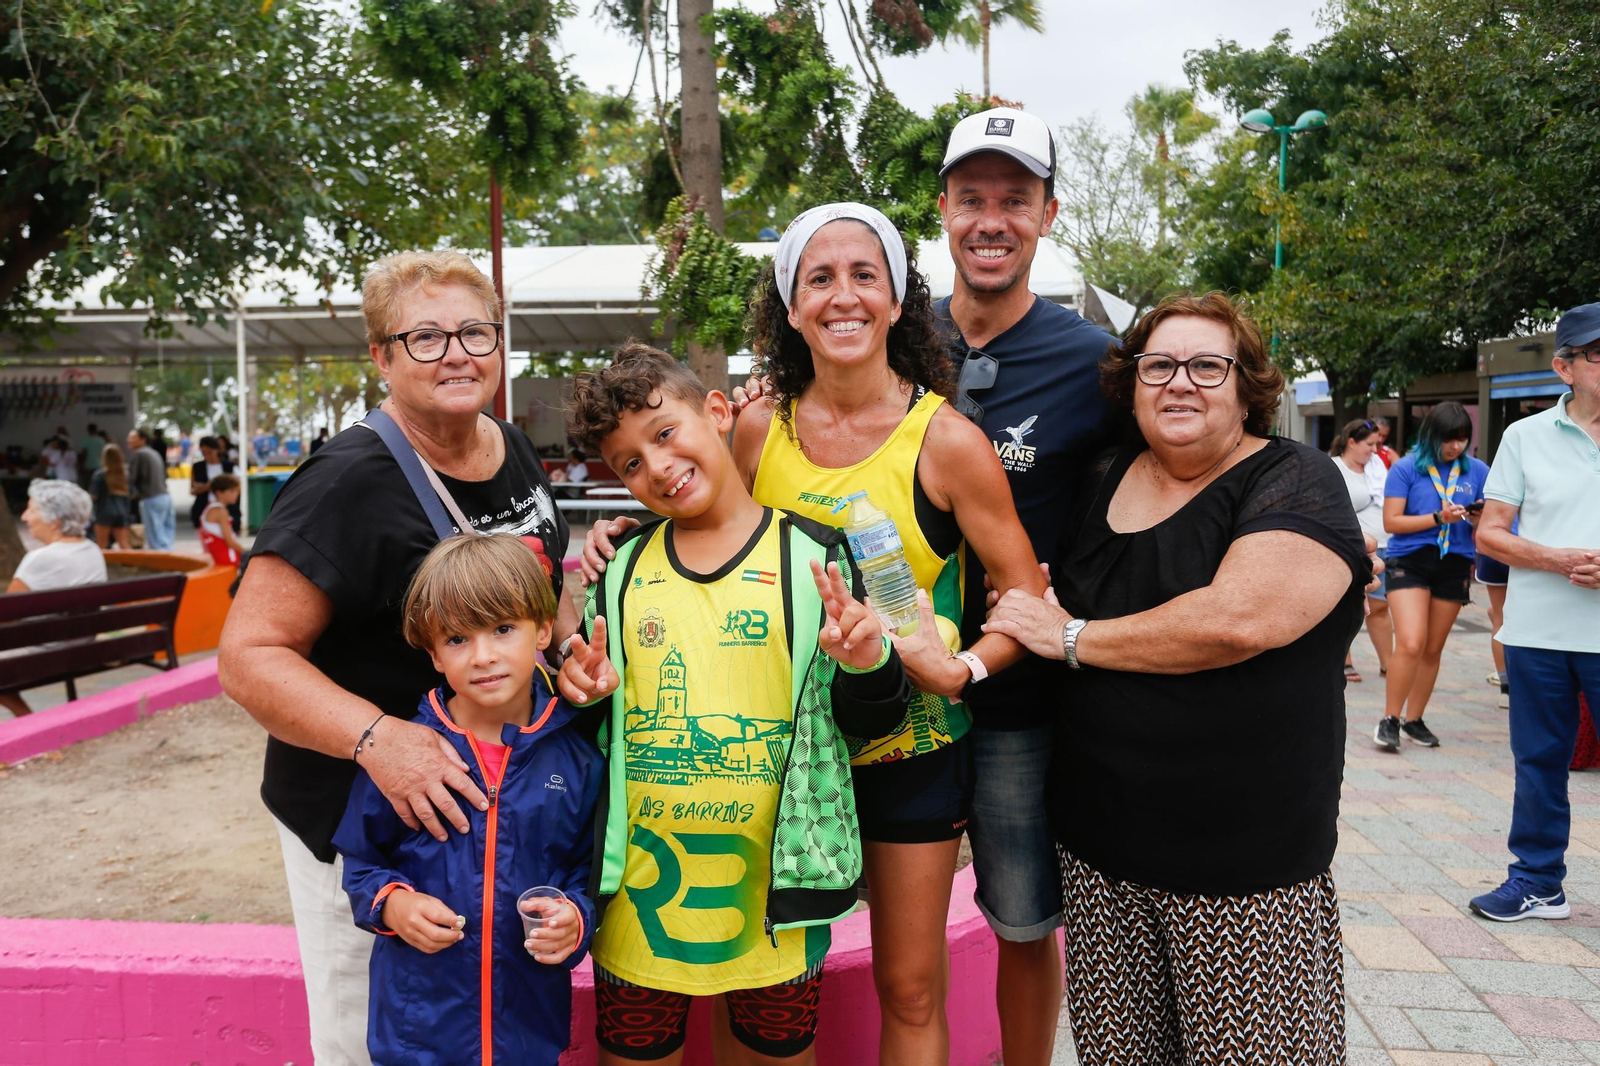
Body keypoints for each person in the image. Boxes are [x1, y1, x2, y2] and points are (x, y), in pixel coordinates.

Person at [984, 292, 1368, 1065]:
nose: (1179, 383)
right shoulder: (1103, 474)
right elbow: (1059, 587)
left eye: (1206, 365)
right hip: (1101, 860)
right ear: (1131, 384)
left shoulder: (1295, 477)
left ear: (1247, 383)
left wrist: (1067, 636)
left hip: (1243, 878)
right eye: (1158, 366)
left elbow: (1239, 620)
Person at [218, 249, 572, 1066]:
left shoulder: (511, 447)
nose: (457, 353)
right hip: (366, 821)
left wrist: (565, 657)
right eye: (425, 337)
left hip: (481, 816)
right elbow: (247, 656)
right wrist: (382, 741)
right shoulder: (346, 481)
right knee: (371, 1039)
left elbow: (531, 596)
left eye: (475, 332)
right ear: (381, 355)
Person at [559, 344, 911, 1066]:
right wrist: (581, 697)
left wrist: (869, 664)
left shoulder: (817, 559)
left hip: (777, 900)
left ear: (717, 412)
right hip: (638, 901)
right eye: (628, 462)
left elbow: (867, 723)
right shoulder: (618, 571)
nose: (655, 467)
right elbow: (597, 726)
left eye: (663, 434)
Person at [334, 533, 601, 1065]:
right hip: (417, 1033)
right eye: (457, 639)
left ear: (543, 629)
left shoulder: (578, 761)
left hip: (527, 1031)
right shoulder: (406, 754)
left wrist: (575, 919)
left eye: (503, 629)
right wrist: (395, 905)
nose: (483, 656)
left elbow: (586, 876)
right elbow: (361, 860)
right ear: (433, 653)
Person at [1468, 303, 1600, 922]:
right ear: (1564, 367)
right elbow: (1490, 534)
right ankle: (1538, 882)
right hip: (1537, 633)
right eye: (1599, 357)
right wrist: (1555, 559)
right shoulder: (1523, 437)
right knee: (1539, 762)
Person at [1374, 401, 1489, 752]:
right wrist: (1438, 519)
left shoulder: (1478, 471)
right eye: (1448, 439)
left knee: (1433, 648)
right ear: (1430, 436)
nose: (1455, 447)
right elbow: (1391, 522)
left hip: (1454, 560)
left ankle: (1414, 719)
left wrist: (1474, 518)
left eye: (1462, 439)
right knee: (1410, 640)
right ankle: (1390, 719)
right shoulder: (1407, 468)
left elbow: (1491, 522)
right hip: (1410, 559)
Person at [1, 480, 107, 717]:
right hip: (81, 649)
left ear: (55, 521)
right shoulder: (91, 549)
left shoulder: (40, 560)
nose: (25, 516)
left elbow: (5, 618)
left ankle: (27, 719)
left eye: (32, 510)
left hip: (44, 656)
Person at [1329, 418, 1391, 680]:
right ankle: (1344, 659)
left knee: (1380, 606)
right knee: (1346, 605)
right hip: (1350, 549)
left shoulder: (1377, 468)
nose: (1374, 450)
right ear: (1351, 442)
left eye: (1377, 444)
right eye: (1369, 444)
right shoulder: (1333, 468)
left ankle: (1389, 663)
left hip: (1385, 546)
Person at [126, 426, 175, 551]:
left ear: (143, 440)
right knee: (165, 536)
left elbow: (131, 478)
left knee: (155, 539)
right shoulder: (154, 453)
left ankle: (162, 564)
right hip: (164, 496)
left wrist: (131, 493)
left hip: (151, 498)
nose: (129, 440)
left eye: (132, 437)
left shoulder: (140, 455)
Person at [189, 435, 240, 531]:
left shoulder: (229, 466)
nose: (207, 456)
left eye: (209, 452)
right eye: (204, 453)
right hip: (204, 506)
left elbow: (238, 486)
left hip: (227, 507)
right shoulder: (198, 467)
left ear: (217, 450)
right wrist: (206, 487)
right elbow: (192, 490)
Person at [89, 443, 133, 550]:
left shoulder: (100, 475)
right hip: (121, 512)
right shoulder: (125, 474)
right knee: (123, 543)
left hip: (104, 512)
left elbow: (94, 495)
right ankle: (132, 564)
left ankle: (102, 566)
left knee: (102, 545)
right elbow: (132, 494)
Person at [197, 474, 246, 567]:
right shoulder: (221, 511)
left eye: (237, 491)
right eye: (232, 491)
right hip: (226, 559)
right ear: (219, 492)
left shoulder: (209, 507)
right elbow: (230, 541)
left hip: (214, 557)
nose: (236, 494)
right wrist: (247, 552)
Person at [79, 423, 103, 487]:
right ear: (96, 430)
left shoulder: (86, 441)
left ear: (88, 430)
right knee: (98, 485)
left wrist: (81, 466)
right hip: (99, 466)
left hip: (88, 466)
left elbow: (84, 453)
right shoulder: (101, 440)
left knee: (89, 485)